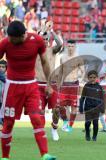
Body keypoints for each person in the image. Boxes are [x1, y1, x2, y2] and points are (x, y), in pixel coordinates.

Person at [0, 21, 56, 159]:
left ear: (22, 35)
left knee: (36, 118)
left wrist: (49, 84)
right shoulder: (5, 43)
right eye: (9, 37)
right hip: (12, 86)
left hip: (31, 86)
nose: (10, 40)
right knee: (8, 123)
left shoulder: (36, 41)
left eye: (13, 38)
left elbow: (45, 62)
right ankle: (5, 157)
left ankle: (45, 154)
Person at [35, 20, 63, 141]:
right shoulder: (34, 51)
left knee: (56, 109)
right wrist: (41, 31)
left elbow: (60, 44)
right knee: (40, 111)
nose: (45, 40)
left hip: (51, 84)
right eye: (43, 39)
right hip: (38, 85)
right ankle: (41, 132)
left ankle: (54, 128)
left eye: (47, 39)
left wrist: (50, 31)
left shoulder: (52, 50)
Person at [58, 39, 84, 132]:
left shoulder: (78, 58)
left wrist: (80, 80)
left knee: (73, 107)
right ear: (66, 46)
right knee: (60, 106)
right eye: (69, 46)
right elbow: (60, 72)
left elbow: (83, 71)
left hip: (74, 85)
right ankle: (65, 121)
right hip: (64, 85)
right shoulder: (63, 57)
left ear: (75, 47)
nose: (70, 48)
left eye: (72, 46)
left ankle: (70, 126)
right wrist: (59, 83)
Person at [79, 70, 104, 141]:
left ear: (97, 78)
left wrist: (102, 108)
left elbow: (101, 98)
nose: (92, 79)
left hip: (96, 109)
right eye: (90, 77)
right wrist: (81, 108)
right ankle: (87, 134)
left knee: (95, 123)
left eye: (94, 77)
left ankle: (94, 136)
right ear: (88, 78)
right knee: (88, 123)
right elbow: (82, 98)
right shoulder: (86, 86)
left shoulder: (99, 87)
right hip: (88, 108)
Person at [0, 59, 7, 131]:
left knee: (5, 122)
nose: (1, 68)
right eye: (0, 67)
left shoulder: (9, 77)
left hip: (5, 102)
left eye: (3, 67)